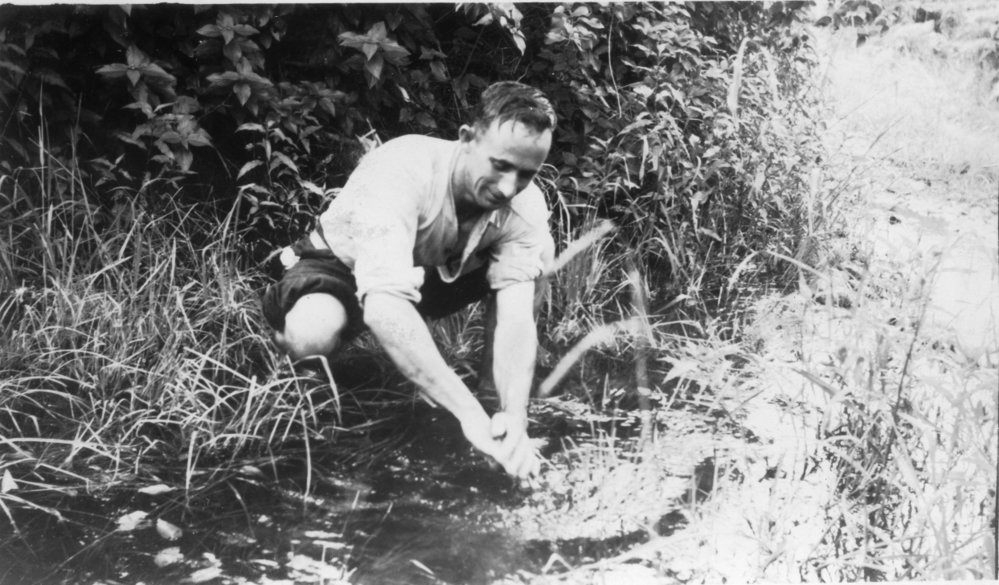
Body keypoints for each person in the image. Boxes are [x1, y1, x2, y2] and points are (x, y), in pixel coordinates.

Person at [261, 81, 557, 480]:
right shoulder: (400, 169)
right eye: (500, 165)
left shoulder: (525, 203)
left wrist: (514, 417)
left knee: (540, 254)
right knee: (311, 335)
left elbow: (516, 319)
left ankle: (494, 401)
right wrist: (468, 415)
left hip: (428, 276)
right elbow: (385, 308)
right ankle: (296, 373)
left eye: (525, 174)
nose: (509, 187)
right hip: (343, 267)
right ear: (466, 139)